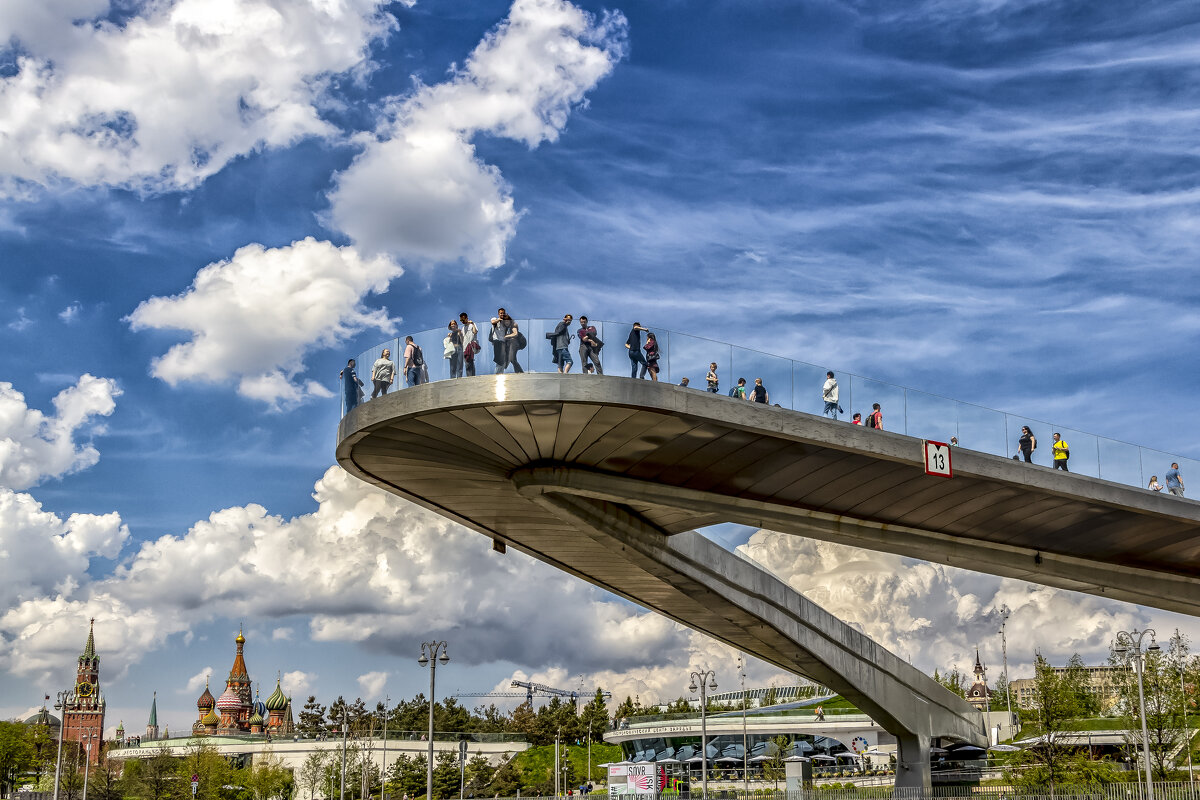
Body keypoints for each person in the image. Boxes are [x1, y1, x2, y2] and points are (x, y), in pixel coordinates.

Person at [490, 308, 519, 373]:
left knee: (503, 360)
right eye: (501, 313)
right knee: (499, 361)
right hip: (497, 342)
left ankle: (500, 375)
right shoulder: (495, 319)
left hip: (503, 343)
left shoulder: (504, 323)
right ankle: (496, 376)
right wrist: (499, 319)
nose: (502, 314)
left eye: (503, 313)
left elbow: (511, 326)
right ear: (498, 314)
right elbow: (492, 322)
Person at [459, 312, 479, 377]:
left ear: (467, 318)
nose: (462, 321)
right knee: (469, 362)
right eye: (461, 320)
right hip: (465, 347)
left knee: (468, 362)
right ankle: (471, 376)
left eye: (463, 319)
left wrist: (472, 324)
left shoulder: (472, 325)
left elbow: (475, 332)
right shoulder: (463, 328)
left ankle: (471, 377)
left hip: (471, 346)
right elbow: (462, 339)